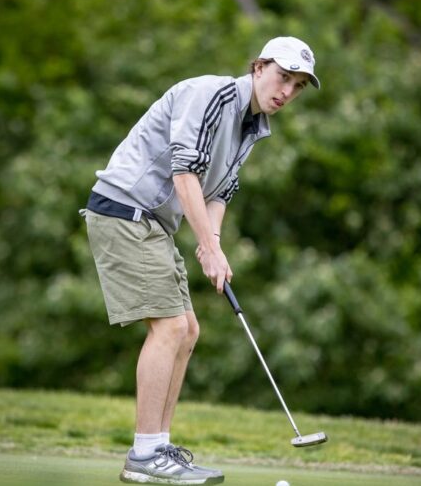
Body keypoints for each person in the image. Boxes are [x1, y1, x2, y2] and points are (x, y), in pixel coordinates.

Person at [82, 36, 320, 485]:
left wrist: (215, 242)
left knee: (188, 329)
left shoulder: (254, 126)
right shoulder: (210, 95)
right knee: (170, 326)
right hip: (126, 210)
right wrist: (207, 249)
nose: (287, 92)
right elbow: (184, 170)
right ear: (259, 67)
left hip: (154, 223)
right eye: (283, 77)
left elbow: (219, 192)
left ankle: (159, 446)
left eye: (298, 86)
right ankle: (145, 454)